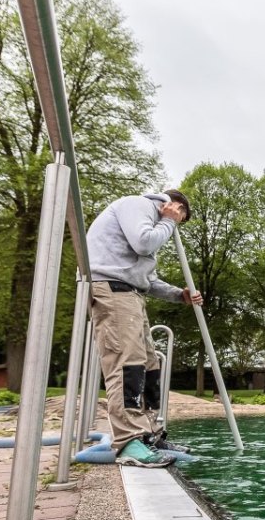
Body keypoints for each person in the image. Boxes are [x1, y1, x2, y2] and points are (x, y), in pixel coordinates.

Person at [86, 189, 202, 467]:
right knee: (127, 364)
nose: (175, 227)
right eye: (181, 218)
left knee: (148, 365)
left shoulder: (148, 220)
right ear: (174, 206)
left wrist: (179, 295)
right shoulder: (136, 205)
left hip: (130, 293)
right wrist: (170, 221)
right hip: (111, 290)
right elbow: (143, 243)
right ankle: (128, 442)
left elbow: (147, 279)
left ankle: (149, 435)